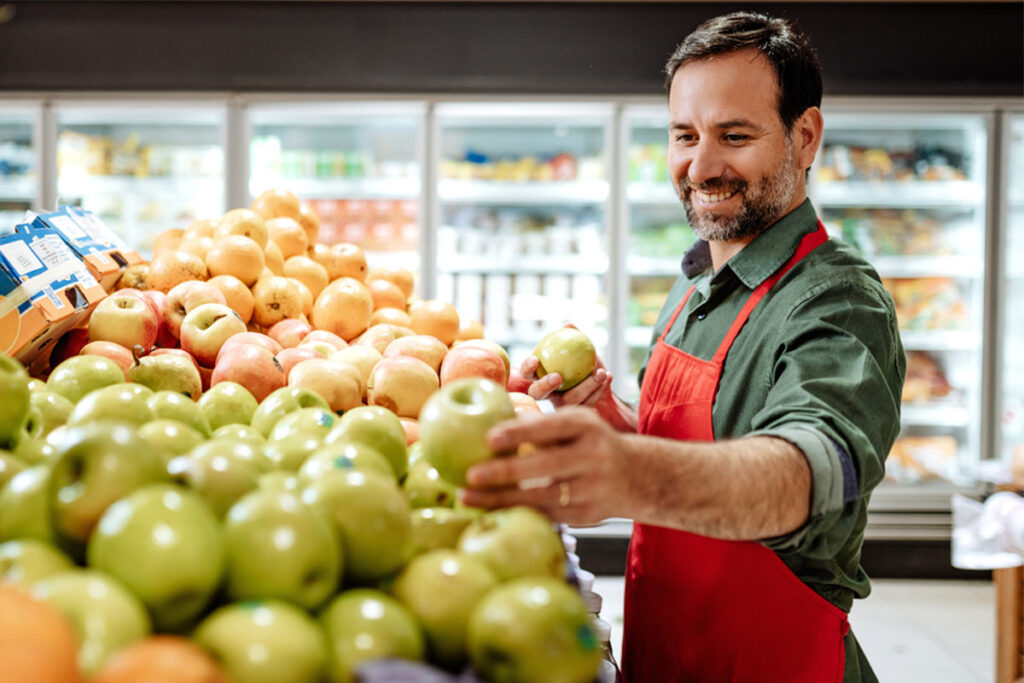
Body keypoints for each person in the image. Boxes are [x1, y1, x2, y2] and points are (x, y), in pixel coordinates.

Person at [460, 11, 906, 683]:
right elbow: (702, 469)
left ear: (805, 136)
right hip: (665, 652)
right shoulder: (694, 283)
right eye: (684, 135)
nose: (701, 164)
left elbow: (807, 475)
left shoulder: (838, 298)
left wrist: (636, 468)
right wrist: (616, 428)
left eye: (734, 135)